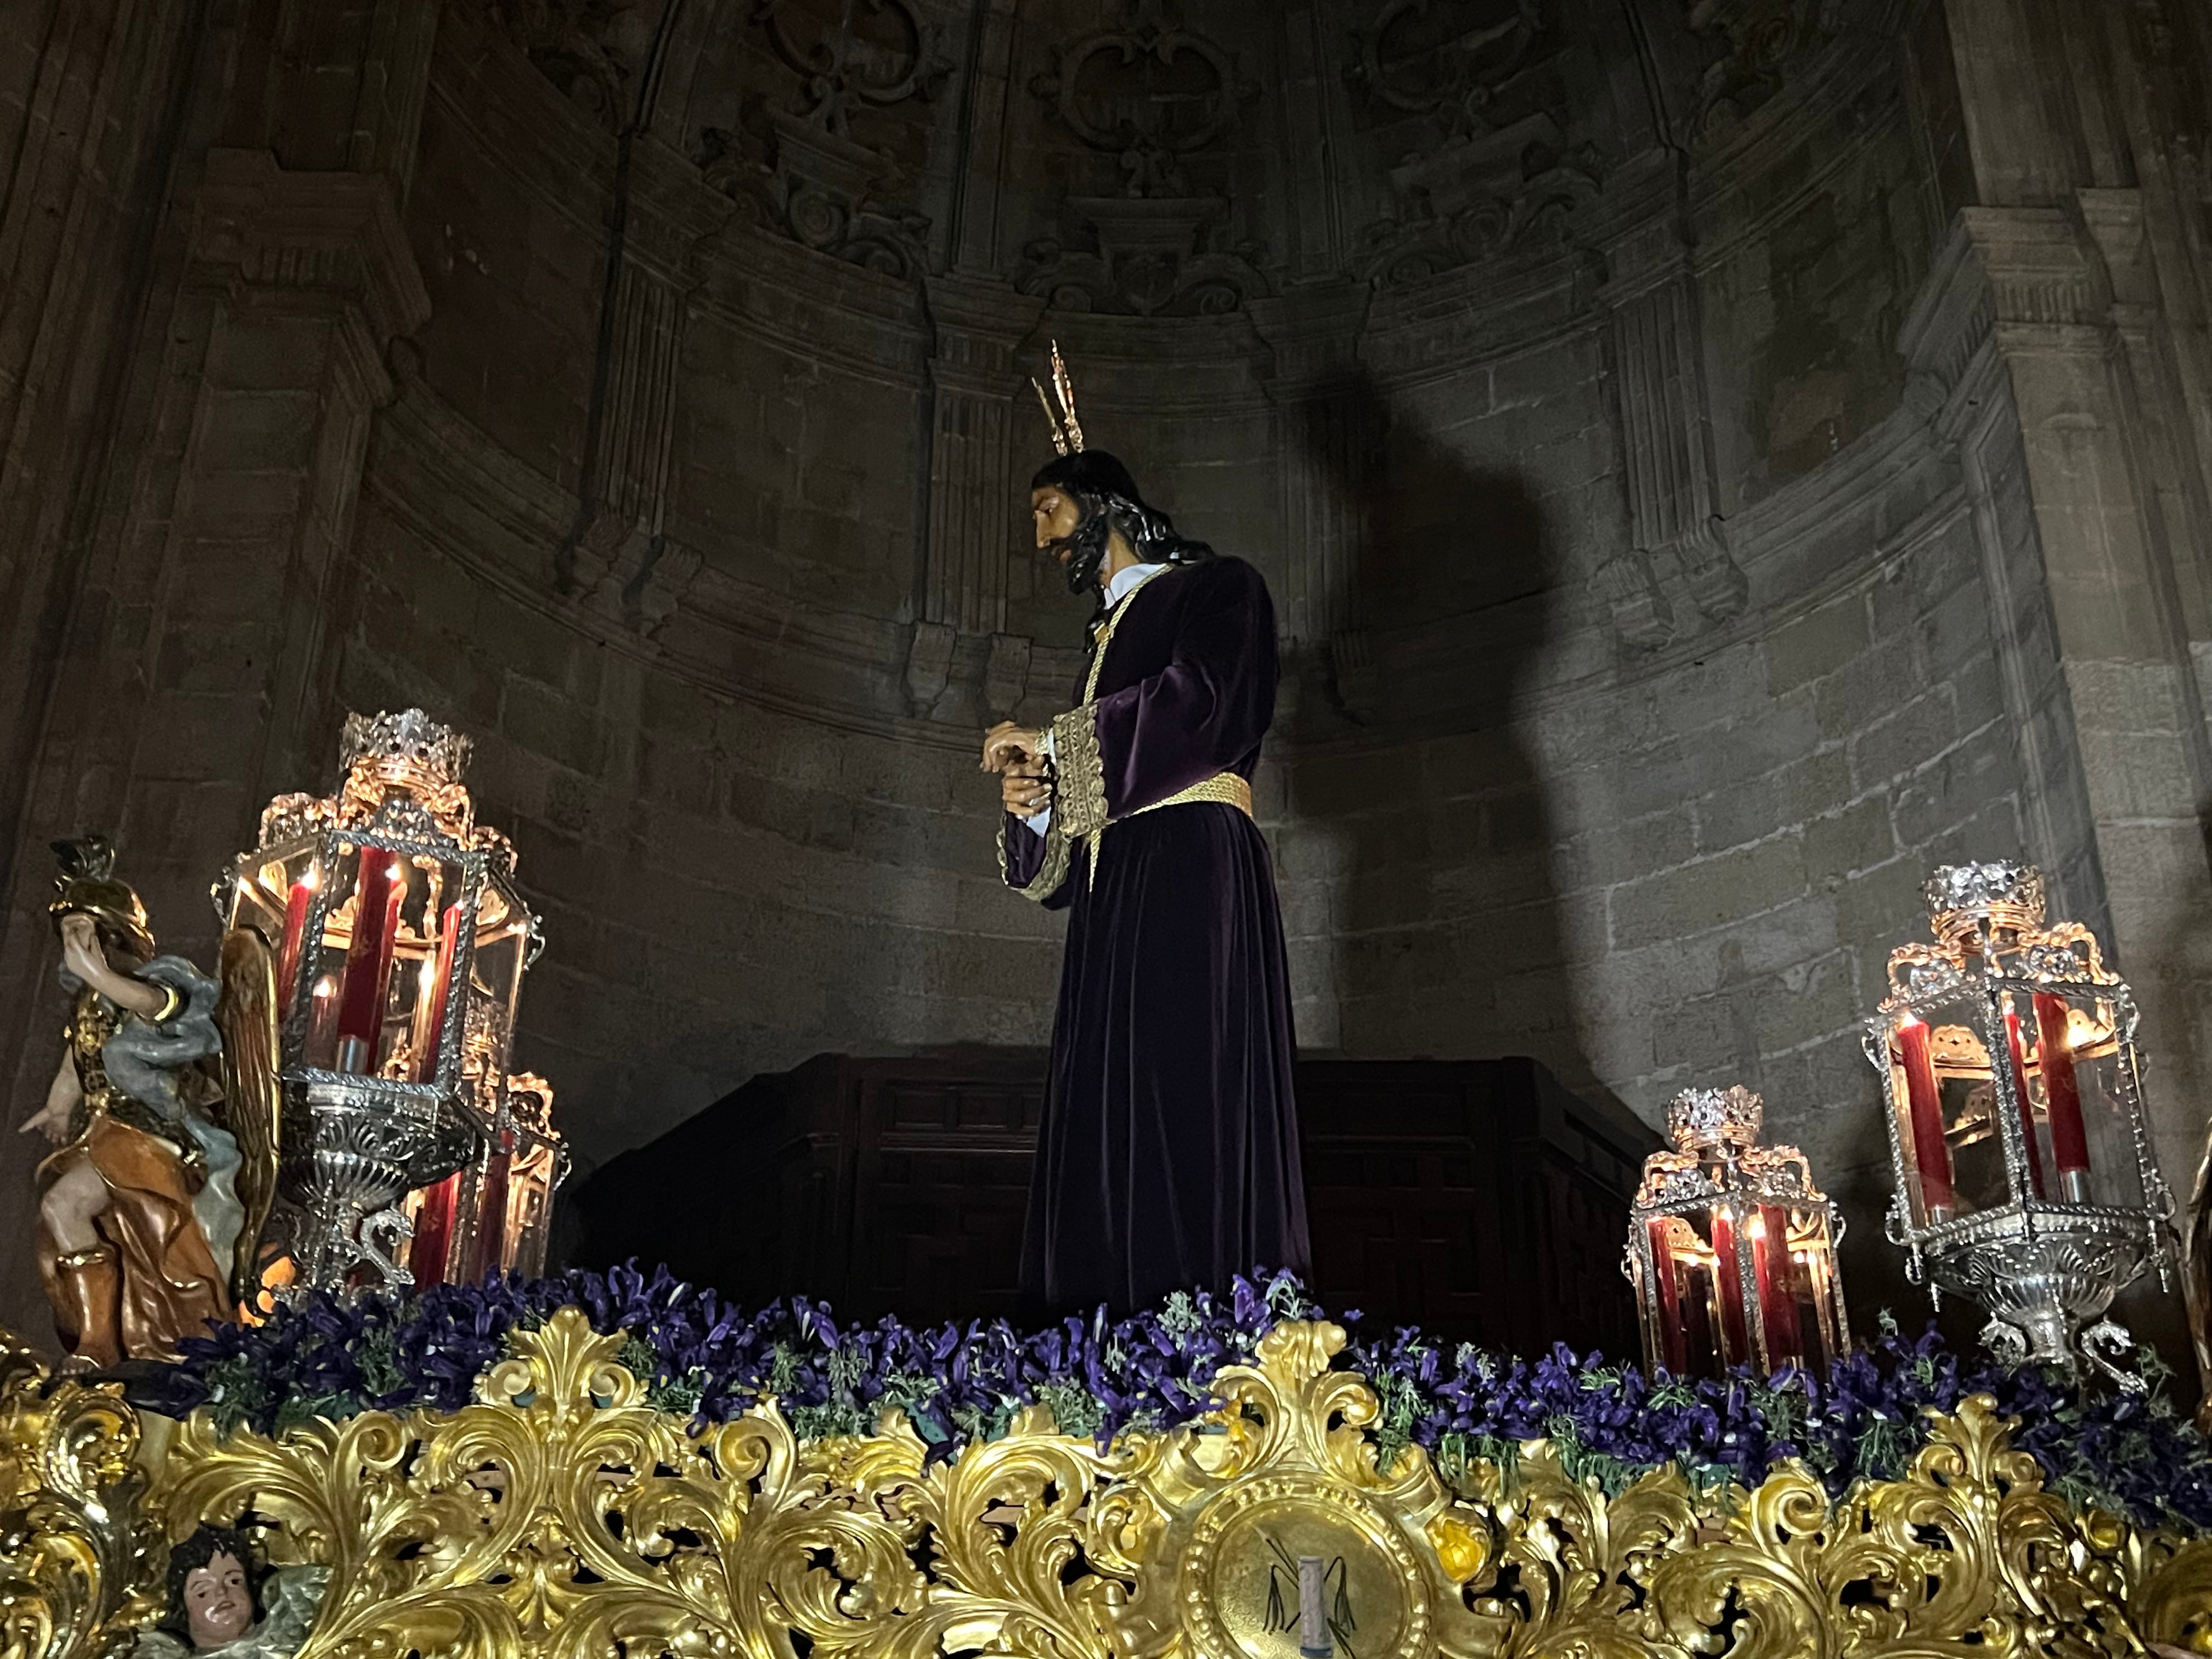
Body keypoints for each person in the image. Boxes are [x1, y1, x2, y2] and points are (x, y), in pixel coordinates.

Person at [982, 347, 1310, 1315]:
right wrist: (1040, 801)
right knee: (1103, 1109)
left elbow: (1205, 704)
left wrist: (1050, 739)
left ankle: (1206, 1336)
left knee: (1182, 1094)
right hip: (1120, 888)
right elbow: (1080, 831)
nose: (1042, 537)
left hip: (1193, 875)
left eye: (1050, 510)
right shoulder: (1099, 645)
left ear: (1107, 505)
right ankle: (1103, 1343)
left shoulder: (1218, 589)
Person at [18, 837, 243, 1368]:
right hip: (106, 1133)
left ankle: (98, 1345)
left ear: (113, 930)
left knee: (65, 1205)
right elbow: (80, 1056)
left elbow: (162, 1008)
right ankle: (102, 1339)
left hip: (151, 1136)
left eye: (83, 928)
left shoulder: (155, 981)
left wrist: (103, 977)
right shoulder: (91, 1000)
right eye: (67, 930)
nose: (72, 940)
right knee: (66, 1215)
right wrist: (57, 1105)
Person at [136, 1525, 328, 1658]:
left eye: (234, 1581)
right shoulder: (158, 1652)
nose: (222, 1592)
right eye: (203, 1592)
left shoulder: (283, 1634)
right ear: (180, 1608)